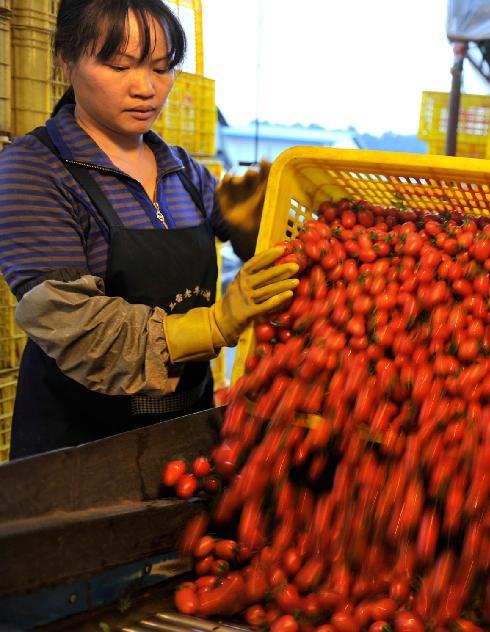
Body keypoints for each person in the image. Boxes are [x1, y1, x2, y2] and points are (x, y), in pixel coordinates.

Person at [0, 0, 298, 459]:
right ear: (66, 58)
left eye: (162, 68)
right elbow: (76, 327)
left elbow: (270, 264)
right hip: (81, 452)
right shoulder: (33, 171)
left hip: (186, 430)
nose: (146, 88)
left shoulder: (186, 172)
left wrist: (262, 228)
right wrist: (215, 324)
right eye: (119, 65)